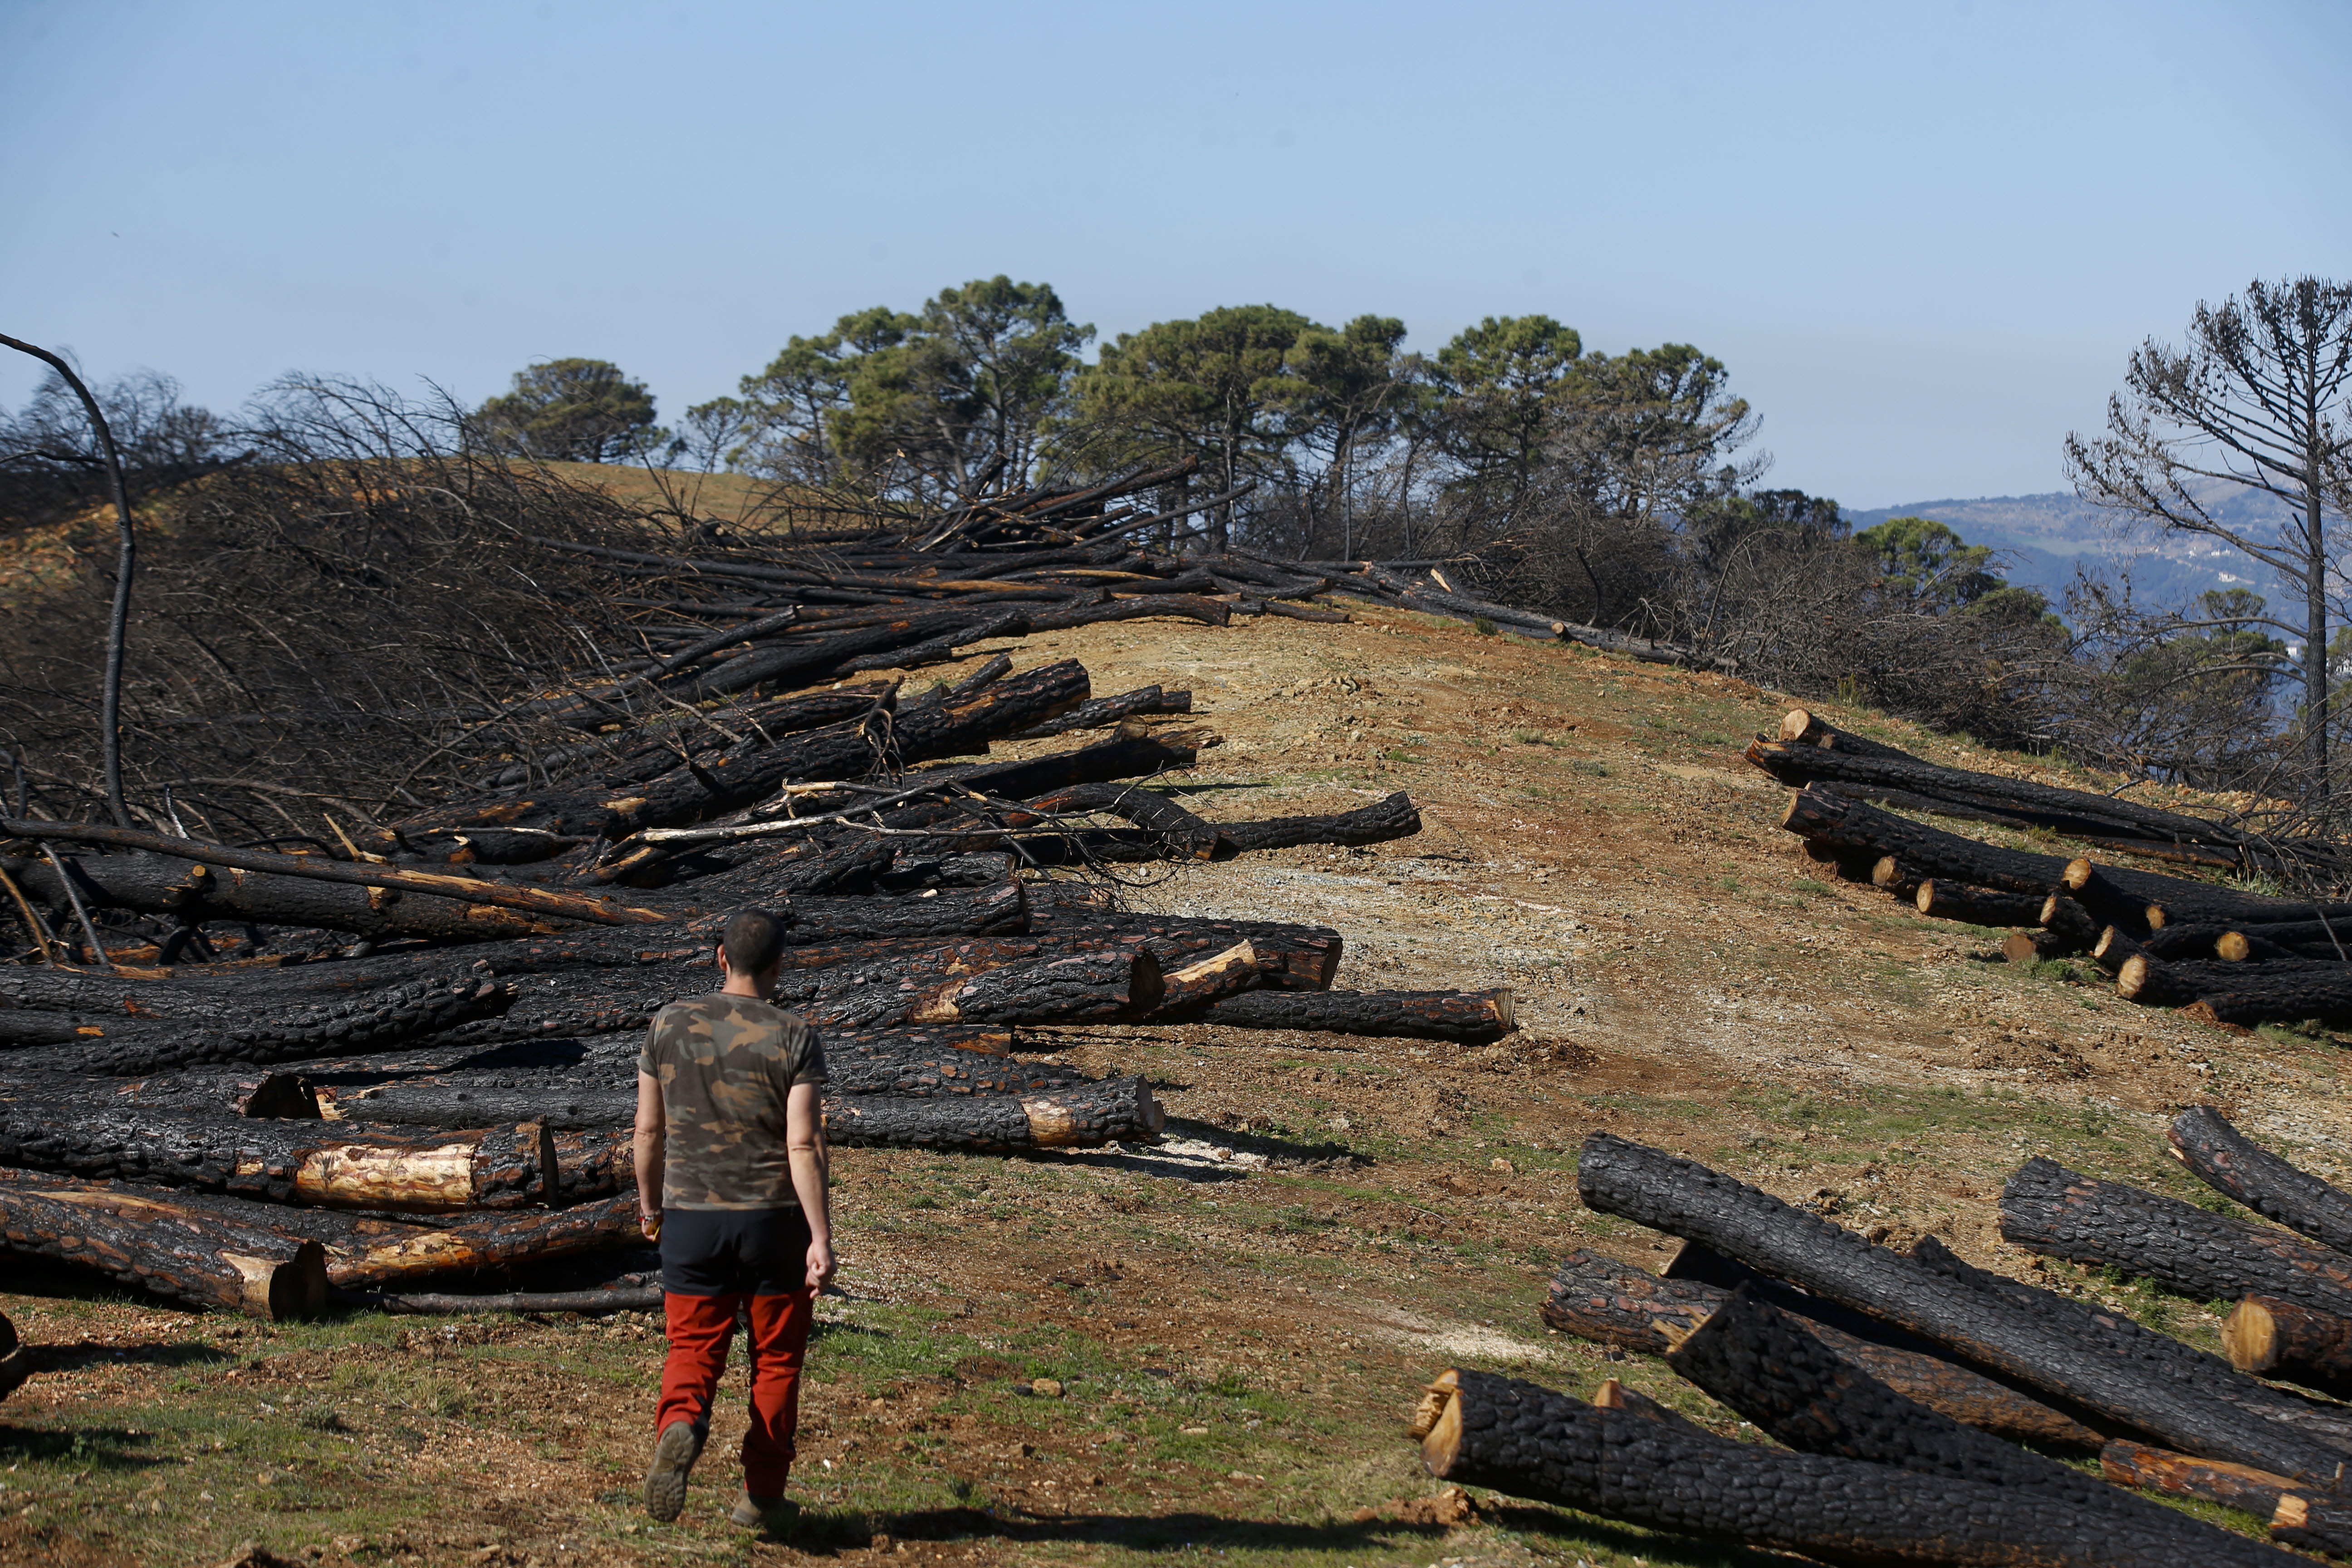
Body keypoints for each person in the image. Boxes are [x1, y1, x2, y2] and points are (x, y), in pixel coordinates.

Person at [635, 906, 835, 1532]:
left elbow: (648, 1130)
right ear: (779, 966)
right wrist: (821, 1237)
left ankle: (682, 1425)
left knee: (693, 1348)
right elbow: (803, 1145)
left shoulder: (667, 1024)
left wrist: (649, 1206)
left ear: (720, 957)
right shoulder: (794, 1035)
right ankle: (762, 1498)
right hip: (774, 1223)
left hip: (692, 1218)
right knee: (776, 1361)